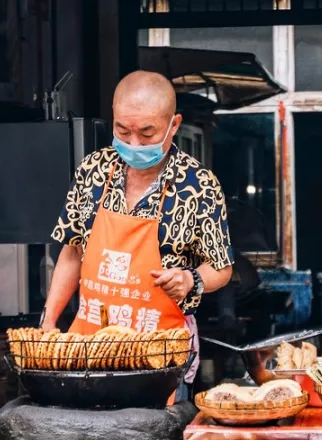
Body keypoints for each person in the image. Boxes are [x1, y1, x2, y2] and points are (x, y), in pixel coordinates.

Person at [44, 71, 234, 393]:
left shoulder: (198, 185)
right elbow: (72, 252)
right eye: (123, 130)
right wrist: (49, 320)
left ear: (173, 125)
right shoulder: (93, 170)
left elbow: (221, 266)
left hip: (160, 359)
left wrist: (191, 279)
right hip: (89, 350)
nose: (133, 144)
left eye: (147, 133)